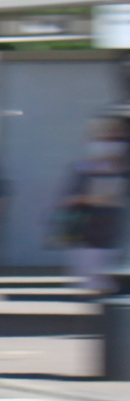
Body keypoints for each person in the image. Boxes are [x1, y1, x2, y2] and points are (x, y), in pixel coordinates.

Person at [53, 117, 127, 297]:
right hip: (88, 236)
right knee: (93, 285)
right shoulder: (82, 168)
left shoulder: (124, 169)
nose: (110, 145)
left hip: (115, 236)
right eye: (104, 139)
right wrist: (92, 198)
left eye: (115, 139)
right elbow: (67, 198)